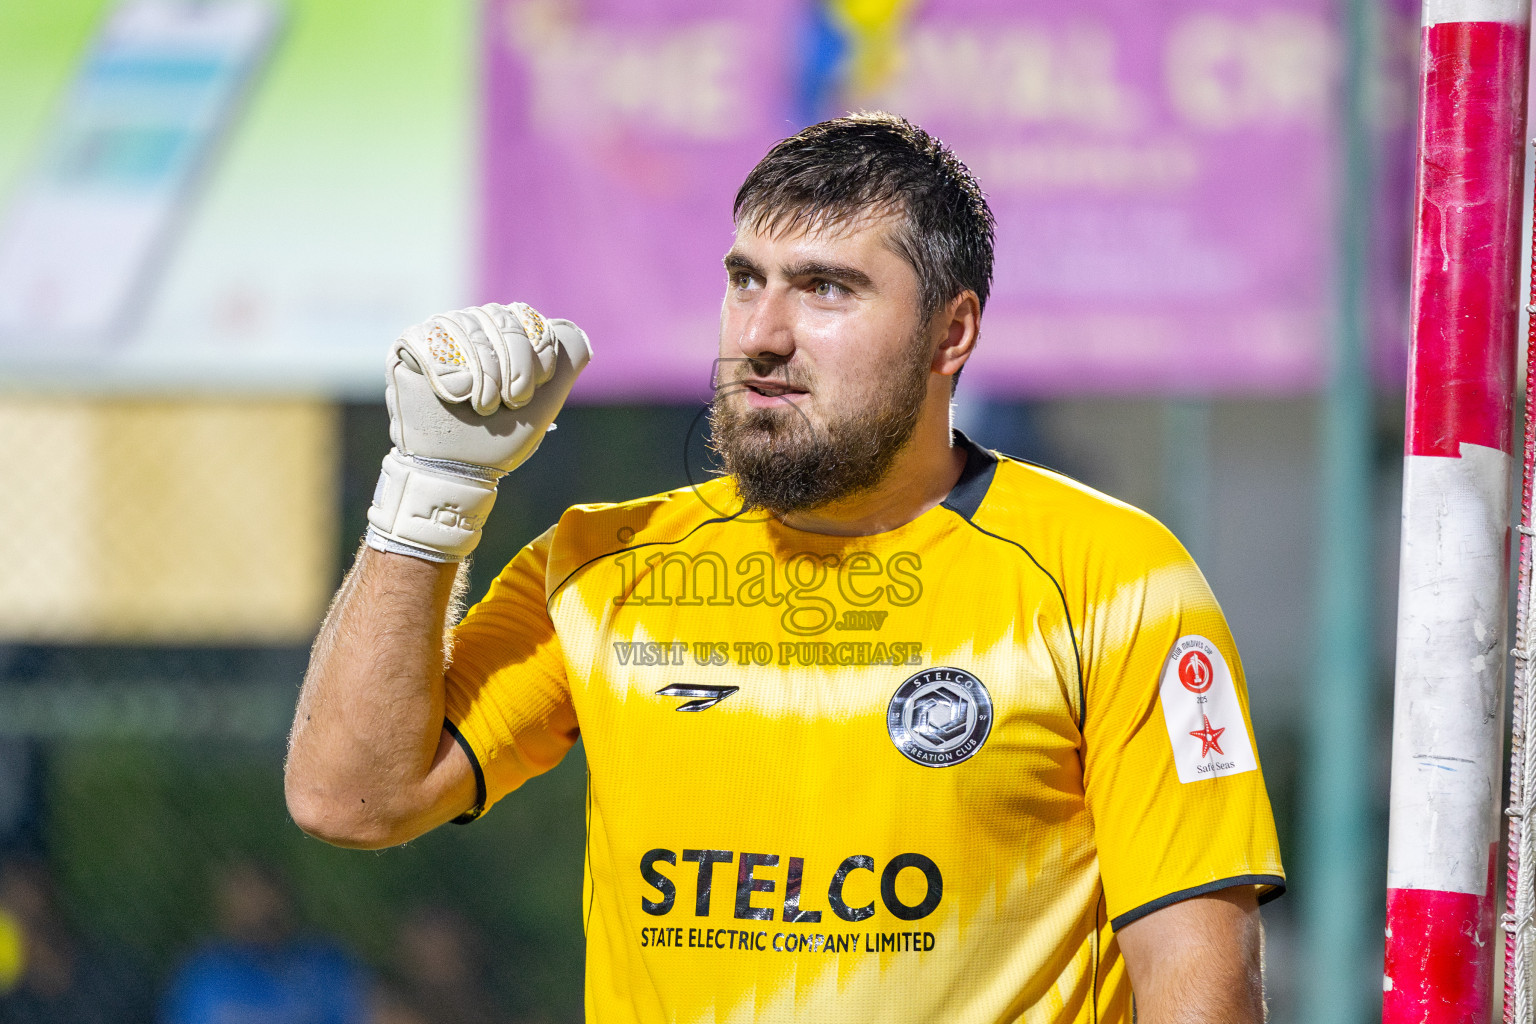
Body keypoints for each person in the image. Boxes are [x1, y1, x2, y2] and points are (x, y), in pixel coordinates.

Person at [285, 113, 1284, 1022]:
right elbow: (351, 799)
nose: (762, 335)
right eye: (745, 279)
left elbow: (1198, 982)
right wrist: (431, 488)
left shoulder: (1114, 579)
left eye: (826, 288)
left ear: (952, 333)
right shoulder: (603, 564)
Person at [159, 859, 369, 1024]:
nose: (257, 908)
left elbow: (368, 1010)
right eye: (245, 895)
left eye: (263, 897)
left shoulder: (323, 966)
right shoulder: (205, 977)